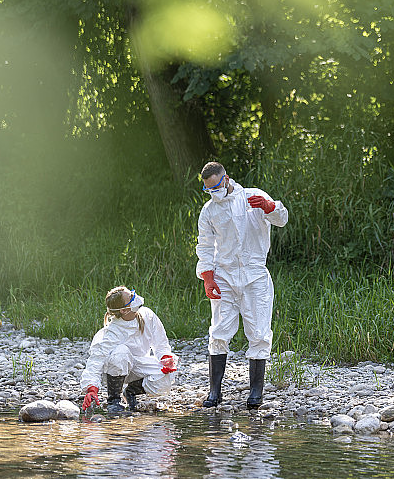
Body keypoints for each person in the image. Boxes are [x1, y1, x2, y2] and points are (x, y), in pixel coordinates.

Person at [196, 161, 288, 410]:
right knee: (219, 331)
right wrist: (208, 277)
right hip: (224, 276)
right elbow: (205, 245)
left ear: (226, 179)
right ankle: (215, 392)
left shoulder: (252, 196)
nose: (213, 192)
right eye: (208, 189)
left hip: (254, 275)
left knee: (258, 332)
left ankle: (255, 393)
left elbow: (282, 218)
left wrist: (269, 207)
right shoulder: (209, 211)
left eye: (216, 187)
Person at [81, 286, 178, 414]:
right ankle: (114, 400)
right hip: (115, 369)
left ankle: (131, 392)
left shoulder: (147, 315)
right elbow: (96, 360)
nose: (135, 296)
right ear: (124, 310)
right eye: (131, 297)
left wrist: (165, 358)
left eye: (132, 293)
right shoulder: (112, 332)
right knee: (121, 352)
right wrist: (92, 389)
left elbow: (161, 342)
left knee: (166, 377)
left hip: (138, 364)